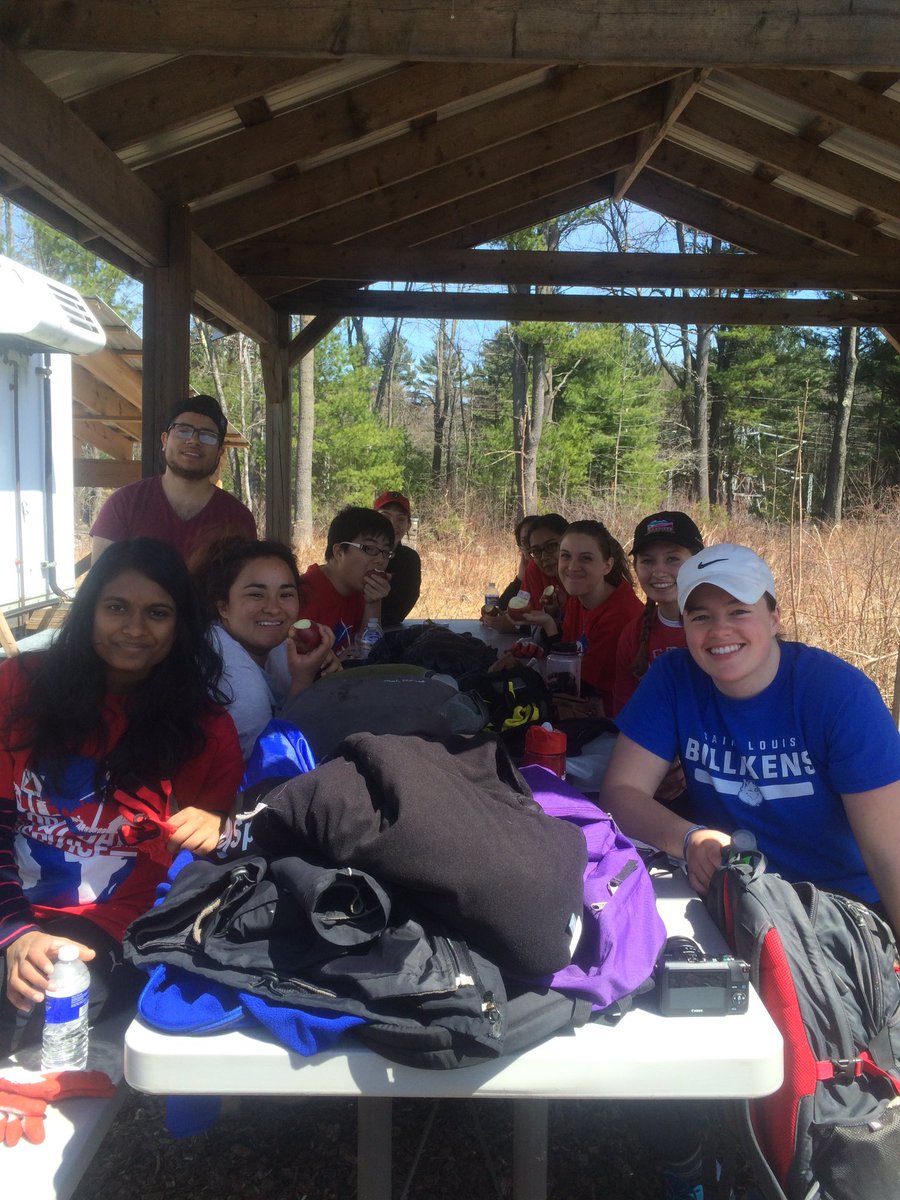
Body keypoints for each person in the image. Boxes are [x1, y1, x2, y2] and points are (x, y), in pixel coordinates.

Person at [0, 538, 244, 1055]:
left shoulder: (206, 730)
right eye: (116, 608)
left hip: (108, 926)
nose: (135, 628)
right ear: (89, 610)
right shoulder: (18, 686)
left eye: (157, 613)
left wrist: (221, 828)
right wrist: (15, 931)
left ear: (180, 626)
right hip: (11, 902)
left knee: (43, 1007)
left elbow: (220, 862)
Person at [601, 543, 900, 935]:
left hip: (835, 908)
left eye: (739, 611)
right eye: (701, 616)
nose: (719, 630)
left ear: (774, 618)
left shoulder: (838, 695)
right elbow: (620, 792)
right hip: (733, 897)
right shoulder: (674, 678)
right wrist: (690, 839)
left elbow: (889, 854)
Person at [193, 538, 339, 759]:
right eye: (256, 594)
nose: (273, 608)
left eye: (285, 595)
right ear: (223, 606)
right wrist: (303, 680)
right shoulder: (233, 677)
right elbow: (272, 764)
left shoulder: (268, 641)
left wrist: (321, 669)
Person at [90, 394, 257, 567]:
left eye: (207, 435)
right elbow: (101, 580)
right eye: (183, 430)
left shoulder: (238, 518)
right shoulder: (124, 503)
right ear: (164, 440)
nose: (194, 440)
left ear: (219, 452)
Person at [517, 520, 643, 716]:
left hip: (614, 720)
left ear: (607, 566)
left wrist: (524, 672)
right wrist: (549, 622)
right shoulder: (578, 598)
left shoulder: (620, 614)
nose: (573, 567)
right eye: (566, 556)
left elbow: (578, 685)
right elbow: (567, 659)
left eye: (586, 558)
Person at [611, 511, 704, 716]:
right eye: (647, 561)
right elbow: (625, 710)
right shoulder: (633, 634)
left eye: (672, 559)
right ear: (635, 567)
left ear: (698, 561)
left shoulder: (721, 628)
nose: (659, 572)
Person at [298, 506, 394, 655]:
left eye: (386, 552)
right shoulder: (303, 595)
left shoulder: (359, 590)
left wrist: (374, 602)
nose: (380, 560)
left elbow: (368, 653)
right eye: (370, 549)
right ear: (339, 552)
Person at [481, 514, 539, 633]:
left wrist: (516, 628)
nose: (531, 548)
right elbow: (502, 607)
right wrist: (520, 577)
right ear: (520, 549)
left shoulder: (562, 574)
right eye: (525, 542)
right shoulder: (530, 572)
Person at [373, 491, 421, 627]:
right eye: (385, 516)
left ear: (408, 525)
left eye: (400, 519)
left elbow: (399, 612)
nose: (392, 524)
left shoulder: (409, 560)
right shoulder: (357, 552)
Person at [520, 513, 569, 620]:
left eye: (551, 546)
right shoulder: (534, 568)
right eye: (536, 551)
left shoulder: (583, 573)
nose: (544, 557)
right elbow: (523, 614)